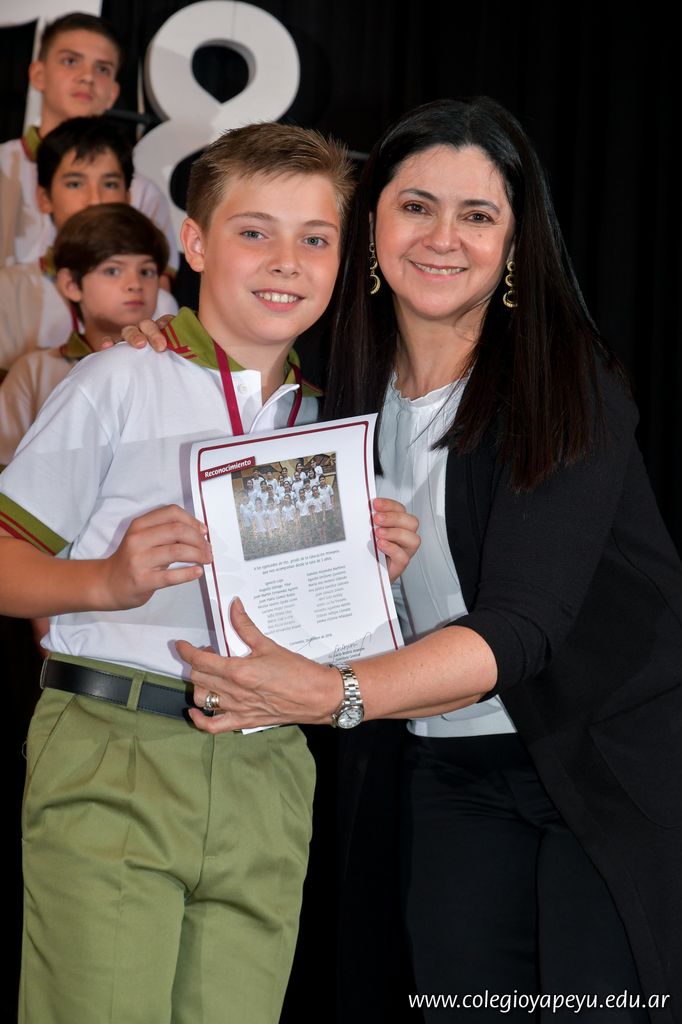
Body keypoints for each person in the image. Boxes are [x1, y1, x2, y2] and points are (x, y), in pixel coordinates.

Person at [153, 98, 682, 1022]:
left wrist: (335, 694)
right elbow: (230, 360)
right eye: (415, 207)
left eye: (477, 215)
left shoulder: (569, 382)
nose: (443, 238)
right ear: (371, 227)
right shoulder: (340, 384)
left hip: (601, 770)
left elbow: (522, 627)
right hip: (445, 768)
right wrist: (166, 340)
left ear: (514, 243)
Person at [0, 121, 418, 1024]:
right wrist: (105, 581)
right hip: (117, 743)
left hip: (270, 767)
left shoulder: (330, 425)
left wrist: (376, 570)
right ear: (193, 243)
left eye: (316, 239)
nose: (287, 261)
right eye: (254, 231)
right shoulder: (118, 379)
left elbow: (336, 639)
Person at [0, 11, 178, 274]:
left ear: (113, 93)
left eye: (102, 69)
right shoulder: (4, 166)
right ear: (38, 74)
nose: (87, 77)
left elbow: (154, 288)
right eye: (71, 61)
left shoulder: (141, 193)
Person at [0, 116, 177, 374]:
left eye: (110, 184)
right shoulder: (9, 290)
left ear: (128, 197)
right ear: (44, 197)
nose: (95, 199)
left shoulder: (157, 301)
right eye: (75, 184)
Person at [0, 203, 167, 466]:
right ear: (71, 284)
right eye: (112, 270)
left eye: (146, 271)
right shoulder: (34, 372)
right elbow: (8, 470)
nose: (135, 284)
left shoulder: (172, 363)